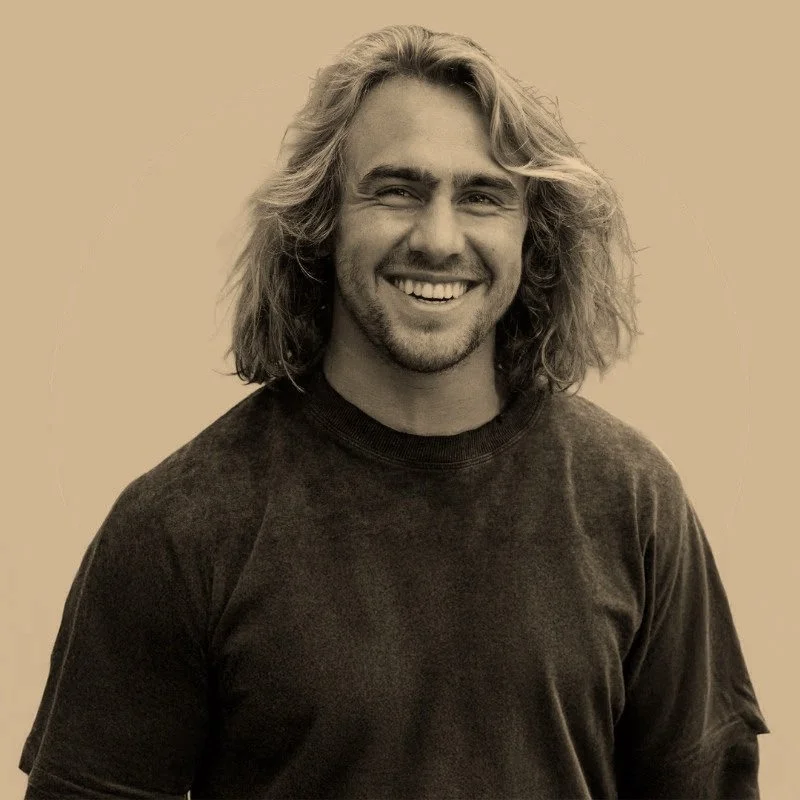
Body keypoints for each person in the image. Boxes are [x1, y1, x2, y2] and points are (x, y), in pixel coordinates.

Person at [21, 24, 768, 800]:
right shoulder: (180, 527)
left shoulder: (633, 503)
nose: (439, 238)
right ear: (322, 218)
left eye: (483, 197)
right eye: (397, 190)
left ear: (531, 235)